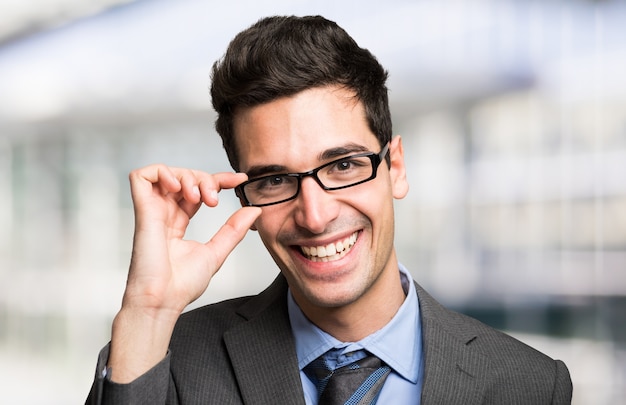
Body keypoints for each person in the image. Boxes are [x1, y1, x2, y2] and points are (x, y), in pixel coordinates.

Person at [86, 15, 573, 404]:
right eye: (275, 180)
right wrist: (147, 312)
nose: (314, 216)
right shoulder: (169, 364)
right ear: (243, 197)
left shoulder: (529, 385)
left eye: (342, 165)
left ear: (395, 166)